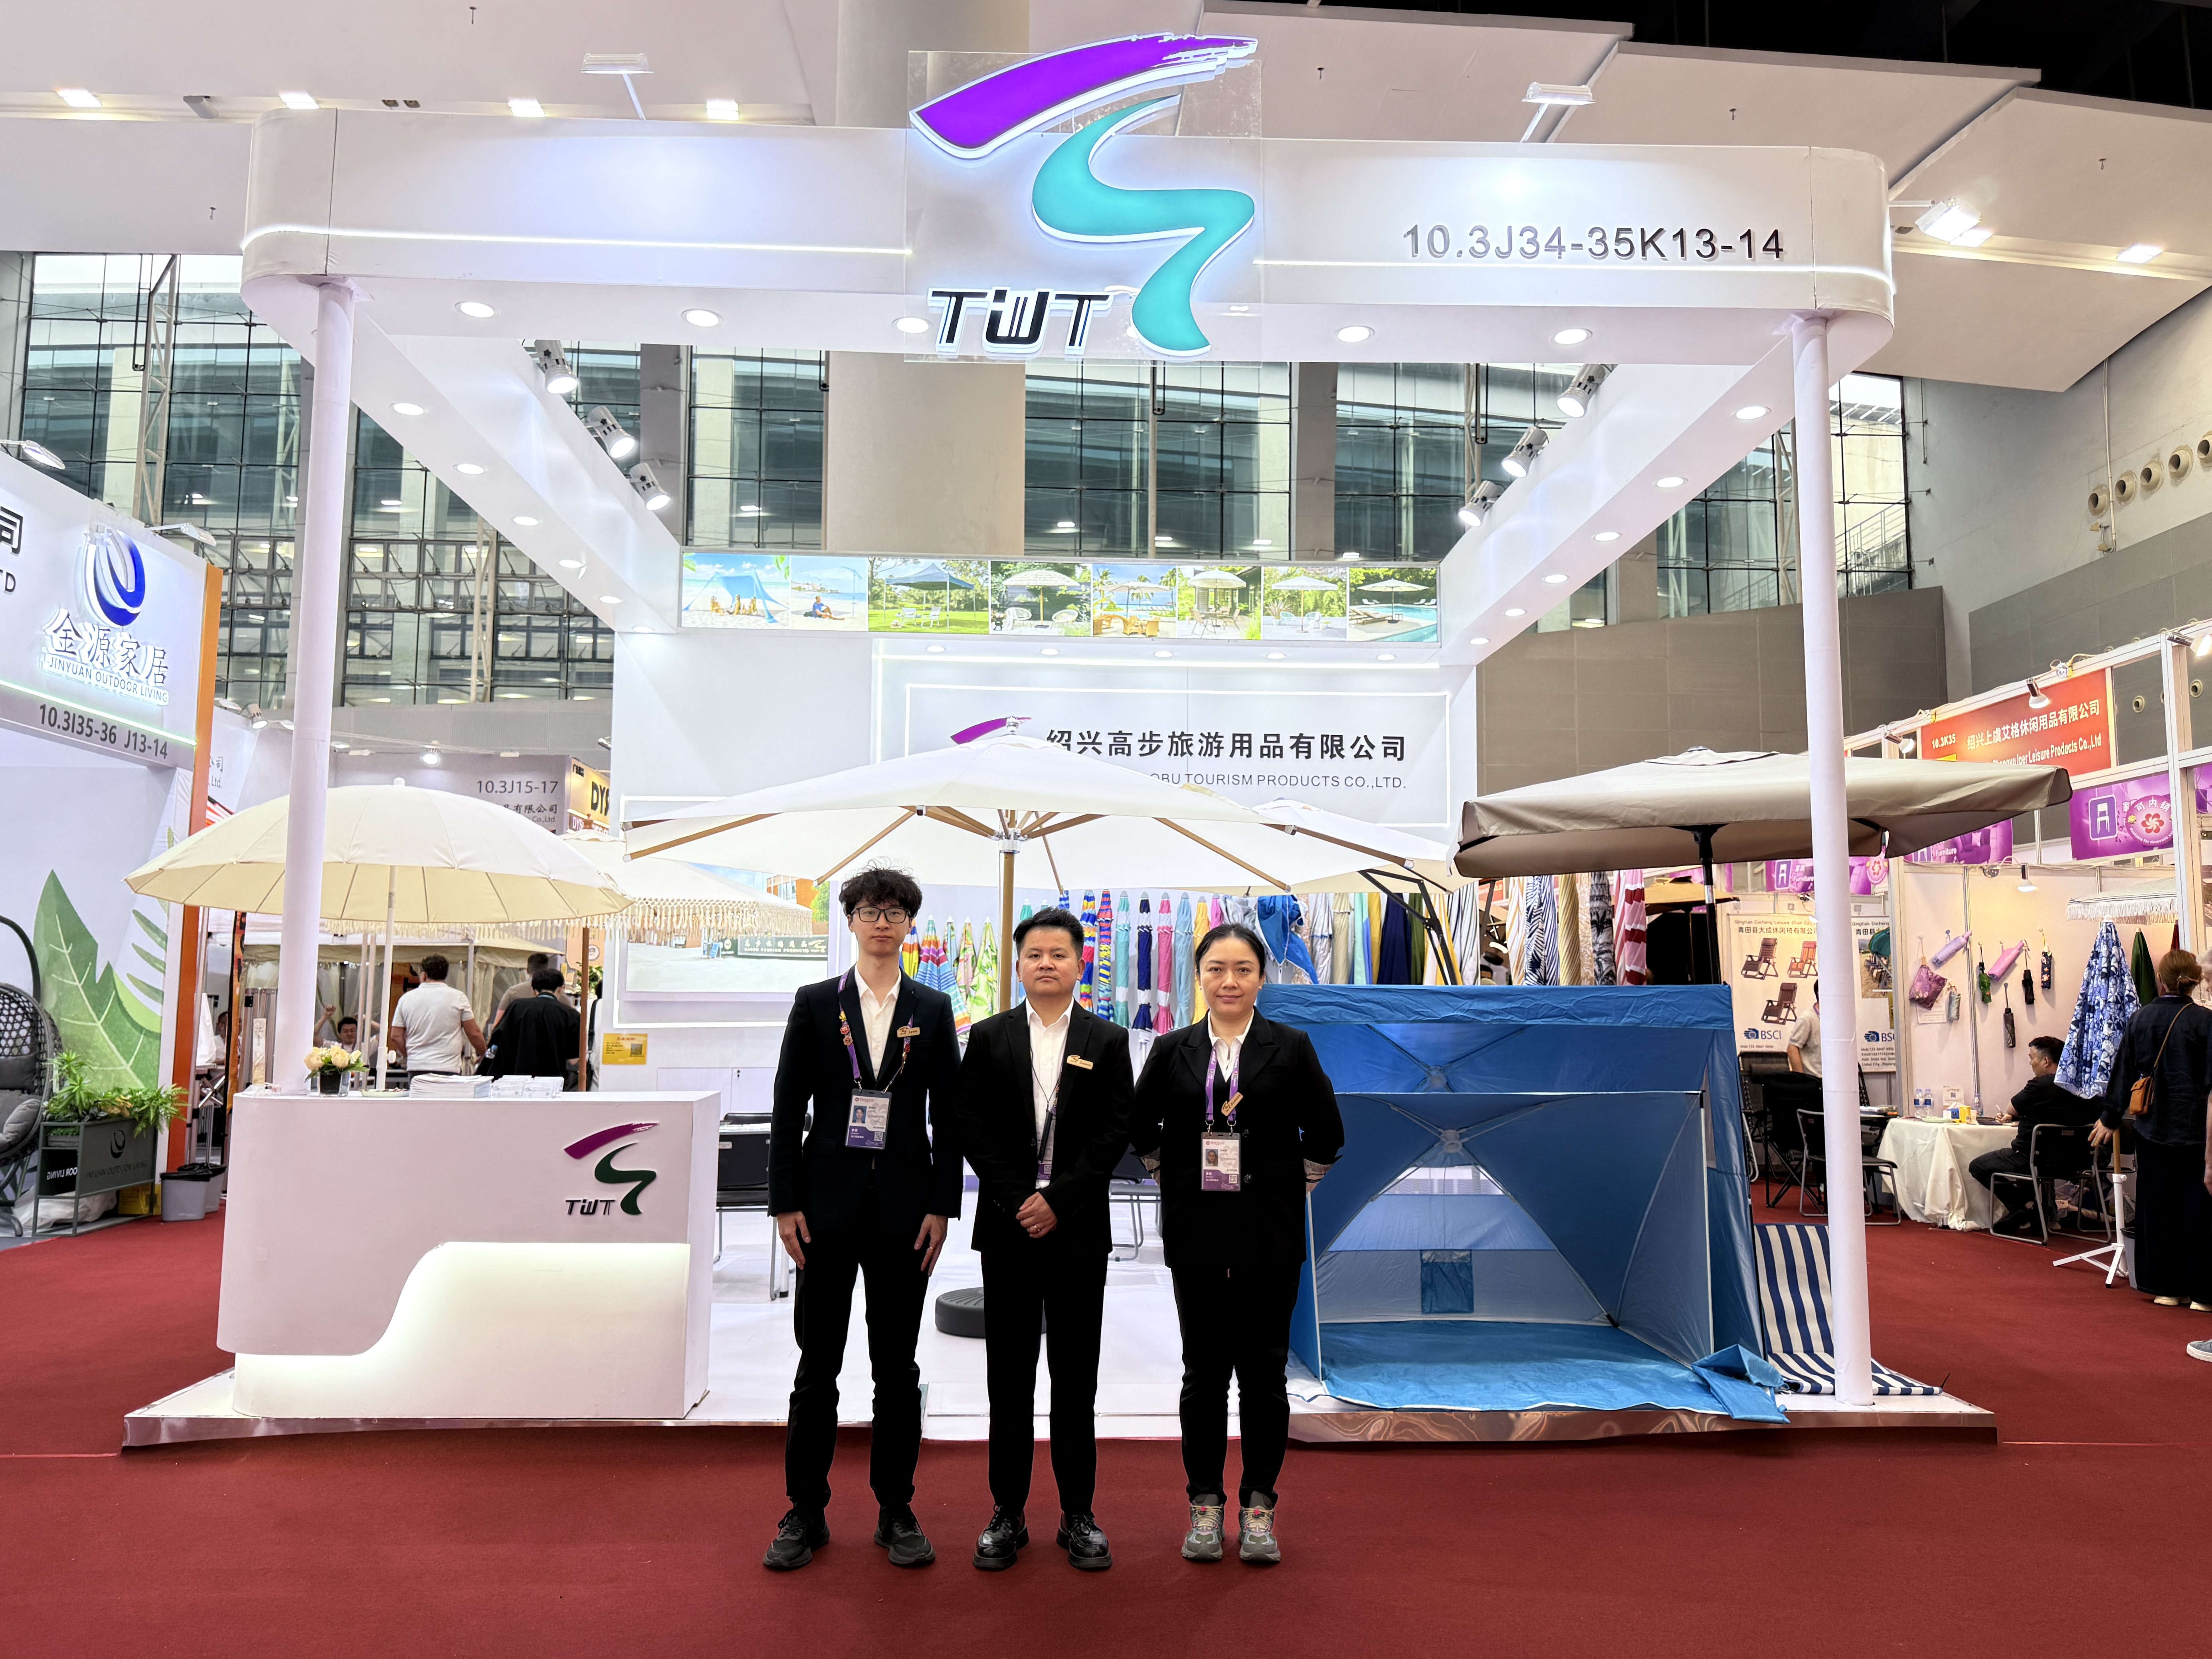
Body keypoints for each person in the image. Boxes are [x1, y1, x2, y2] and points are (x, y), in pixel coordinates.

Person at [764, 866, 963, 1573]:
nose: (882, 922)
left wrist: (943, 1204)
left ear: (910, 924)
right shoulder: (817, 1003)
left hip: (906, 1213)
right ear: (849, 920)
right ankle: (805, 1509)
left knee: (896, 1368)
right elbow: (787, 1106)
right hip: (823, 1209)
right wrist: (784, 1201)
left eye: (895, 912)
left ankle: (895, 1509)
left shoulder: (932, 1008)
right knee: (817, 1365)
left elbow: (949, 1116)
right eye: (870, 910)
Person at [1129, 921, 1342, 1567]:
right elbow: (1139, 1127)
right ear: (1198, 976)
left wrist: (1292, 1186)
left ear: (1260, 978)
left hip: (1268, 1235)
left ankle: (1258, 1506)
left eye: (1243, 969)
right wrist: (1172, 1178)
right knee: (1202, 1374)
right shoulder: (1173, 1049)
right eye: (1216, 969)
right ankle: (1203, 1502)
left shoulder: (1291, 1046)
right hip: (1196, 1234)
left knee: (1263, 1375)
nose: (1229, 981)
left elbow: (1326, 1131)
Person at [955, 907, 1133, 1574]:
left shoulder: (1106, 1040)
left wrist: (1058, 1200)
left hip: (1077, 1230)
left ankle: (1077, 1514)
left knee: (1075, 1379)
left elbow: (1114, 1132)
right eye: (1034, 954)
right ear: (1018, 964)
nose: (1046, 963)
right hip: (1007, 1229)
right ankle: (1006, 1513)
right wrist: (1017, 1198)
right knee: (1008, 1380)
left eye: (1059, 953)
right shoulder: (989, 1037)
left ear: (1079, 963)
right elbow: (969, 1125)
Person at [2096, 949, 2212, 1312]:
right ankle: (2204, 1294)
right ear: (2196, 982)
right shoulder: (2206, 1022)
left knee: (2159, 1208)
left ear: (2160, 980)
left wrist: (2110, 1117)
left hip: (2152, 1128)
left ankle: (2166, 1288)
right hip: (2197, 1129)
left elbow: (2123, 1072)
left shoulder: (2140, 1019)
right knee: (2200, 1211)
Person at [1969, 1035, 2098, 1235]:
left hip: (2035, 1158)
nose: (2030, 1064)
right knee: (2034, 1163)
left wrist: (2014, 1115)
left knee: (1978, 1166)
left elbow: (2012, 1109)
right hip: (2078, 1162)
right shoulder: (2084, 1086)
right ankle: (2038, 1211)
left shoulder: (2041, 1085)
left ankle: (2022, 1207)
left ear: (2046, 1061)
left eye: (2032, 1058)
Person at [388, 953, 485, 1075]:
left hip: (417, 1067)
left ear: (424, 975)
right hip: (448, 1068)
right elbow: (474, 1033)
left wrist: (409, 1055)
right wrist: (484, 1054)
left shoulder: (406, 999)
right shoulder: (458, 998)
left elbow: (396, 1035)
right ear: (445, 975)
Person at [484, 968, 582, 1083]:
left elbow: (498, 1039)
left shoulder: (516, 1007)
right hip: (552, 1083)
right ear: (561, 989)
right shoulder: (571, 1015)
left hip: (514, 1080)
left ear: (533, 990)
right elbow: (573, 1060)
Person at [494, 953, 566, 1023]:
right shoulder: (561, 995)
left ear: (527, 970)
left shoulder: (513, 992)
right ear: (547, 970)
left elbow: (498, 1023)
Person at [1787, 988, 1821, 1076]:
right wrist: (1802, 1079)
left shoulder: (1836, 1018)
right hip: (1815, 1079)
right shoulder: (1807, 1019)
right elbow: (1792, 1048)